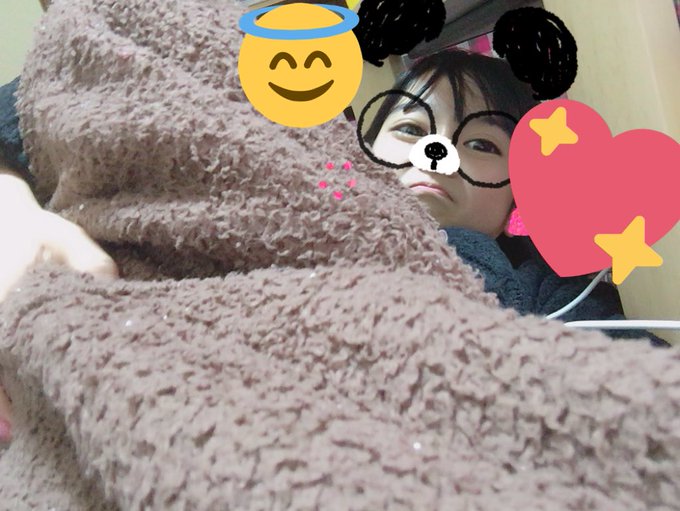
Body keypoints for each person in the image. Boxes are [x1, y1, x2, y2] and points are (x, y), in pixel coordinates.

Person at [361, 49, 668, 345]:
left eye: (481, 145)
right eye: (411, 129)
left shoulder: (552, 302)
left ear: (519, 204)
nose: (437, 155)